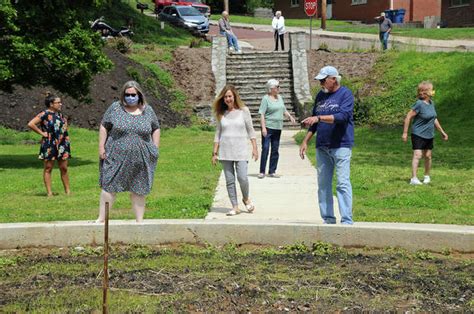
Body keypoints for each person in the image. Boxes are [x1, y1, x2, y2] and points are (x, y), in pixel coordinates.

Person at [96, 81, 160, 223]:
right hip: (115, 156)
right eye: (127, 95)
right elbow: (104, 127)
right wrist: (101, 147)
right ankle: (101, 218)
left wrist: (155, 147)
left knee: (139, 188)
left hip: (141, 157)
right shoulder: (115, 108)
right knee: (109, 185)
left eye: (133, 95)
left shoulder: (147, 110)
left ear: (139, 95)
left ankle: (139, 221)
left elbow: (156, 128)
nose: (130, 97)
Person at [299, 66, 354, 225]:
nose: (321, 83)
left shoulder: (345, 94)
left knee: (342, 182)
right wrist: (305, 140)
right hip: (322, 146)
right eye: (320, 80)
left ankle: (346, 220)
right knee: (323, 184)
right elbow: (314, 121)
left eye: (324, 80)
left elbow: (343, 116)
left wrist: (319, 118)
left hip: (341, 144)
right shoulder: (320, 96)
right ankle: (328, 219)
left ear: (334, 79)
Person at [212, 85, 258, 216]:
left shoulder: (244, 111)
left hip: (241, 151)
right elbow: (218, 134)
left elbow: (251, 130)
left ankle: (246, 198)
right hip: (225, 152)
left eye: (230, 96)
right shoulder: (222, 114)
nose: (228, 99)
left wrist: (255, 148)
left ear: (234, 97)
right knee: (230, 180)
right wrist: (215, 153)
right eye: (225, 97)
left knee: (243, 178)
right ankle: (235, 206)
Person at [402, 81, 448, 185]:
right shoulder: (419, 104)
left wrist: (442, 132)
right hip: (418, 133)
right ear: (427, 92)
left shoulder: (431, 103)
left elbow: (434, 119)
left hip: (429, 134)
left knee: (428, 155)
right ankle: (413, 179)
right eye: (431, 90)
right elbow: (408, 117)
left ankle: (426, 176)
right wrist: (405, 133)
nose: (433, 92)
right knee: (418, 155)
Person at [27, 92, 71, 197]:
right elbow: (31, 124)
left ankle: (68, 191)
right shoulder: (44, 114)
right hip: (49, 144)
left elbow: (64, 126)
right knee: (48, 168)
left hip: (62, 144)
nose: (61, 104)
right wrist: (42, 133)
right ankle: (49, 193)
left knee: (64, 168)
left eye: (61, 102)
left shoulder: (60, 115)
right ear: (51, 104)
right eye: (58, 102)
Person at [258, 79, 296, 178]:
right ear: (271, 89)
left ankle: (272, 171)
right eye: (277, 87)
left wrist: (290, 117)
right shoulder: (265, 99)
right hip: (268, 127)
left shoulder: (280, 98)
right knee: (265, 148)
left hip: (278, 128)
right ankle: (262, 171)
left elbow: (283, 109)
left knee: (275, 149)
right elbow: (262, 114)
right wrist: (263, 128)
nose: (279, 88)